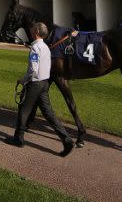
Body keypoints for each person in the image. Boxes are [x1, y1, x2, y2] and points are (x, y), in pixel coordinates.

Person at [5, 22, 74, 157]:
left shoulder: (35, 48)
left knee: (23, 109)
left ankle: (18, 138)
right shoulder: (46, 47)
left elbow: (33, 70)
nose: (30, 29)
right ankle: (66, 139)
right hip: (44, 84)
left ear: (36, 32)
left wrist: (23, 80)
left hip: (35, 84)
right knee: (49, 114)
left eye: (32, 28)